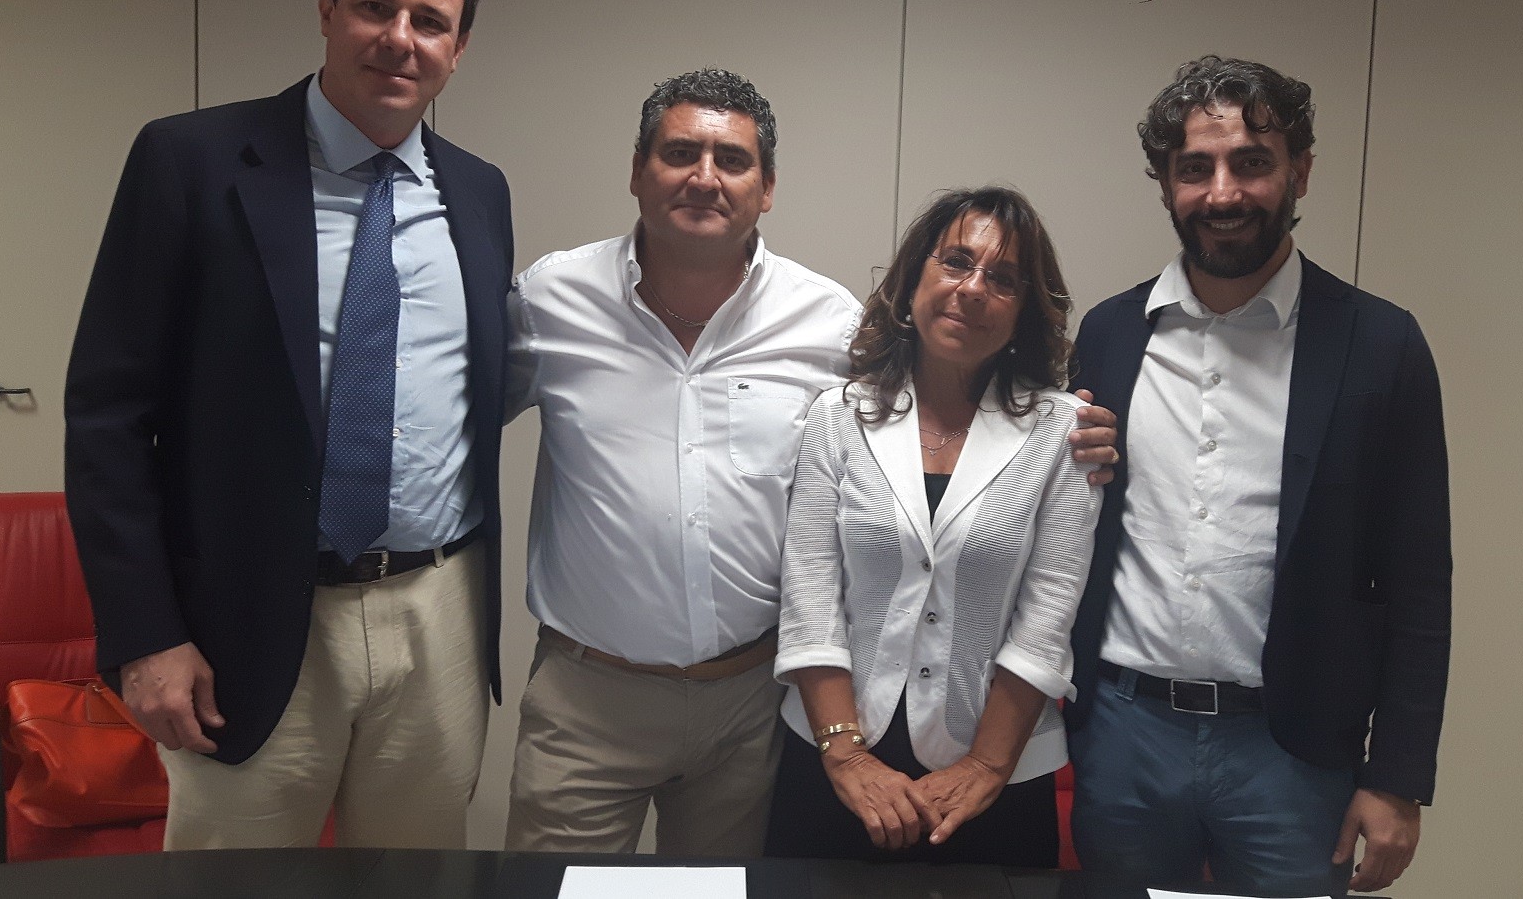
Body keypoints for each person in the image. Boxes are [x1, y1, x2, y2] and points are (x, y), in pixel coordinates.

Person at [502, 71, 1121, 857]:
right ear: (636, 169)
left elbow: (1039, 598)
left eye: (732, 160)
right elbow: (454, 422)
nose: (705, 177)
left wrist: (1078, 430)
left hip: (747, 703)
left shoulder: (826, 324)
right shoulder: (550, 299)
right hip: (591, 690)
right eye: (681, 152)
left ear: (767, 189)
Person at [64, 0, 511, 850]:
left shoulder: (479, 193)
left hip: (438, 611)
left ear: (459, 46)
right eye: (375, 6)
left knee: (420, 880)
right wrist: (145, 634)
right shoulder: (190, 162)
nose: (399, 38)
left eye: (429, 20)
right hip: (249, 618)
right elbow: (108, 417)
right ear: (326, 8)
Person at [1065, 55, 1452, 895]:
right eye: (1194, 168)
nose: (1223, 193)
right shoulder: (1109, 335)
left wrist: (1397, 776)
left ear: (1299, 172)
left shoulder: (1380, 346)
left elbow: (1421, 583)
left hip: (1292, 752)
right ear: (1165, 185)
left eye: (1251, 162)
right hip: (1124, 736)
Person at [765, 187, 1102, 867]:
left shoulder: (1063, 432)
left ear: (1025, 309)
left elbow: (1047, 616)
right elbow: (810, 598)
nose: (972, 289)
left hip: (998, 770)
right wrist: (846, 754)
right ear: (914, 277)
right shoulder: (839, 415)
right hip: (835, 755)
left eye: (1003, 279)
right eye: (956, 262)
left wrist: (985, 765)